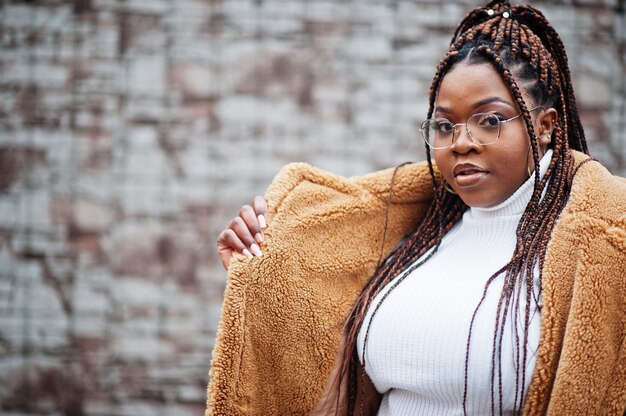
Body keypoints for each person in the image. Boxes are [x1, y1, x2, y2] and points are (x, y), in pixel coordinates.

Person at [209, 1, 626, 415]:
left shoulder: (598, 244)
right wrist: (263, 272)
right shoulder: (419, 236)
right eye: (444, 126)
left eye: (490, 120)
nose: (461, 141)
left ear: (545, 125)